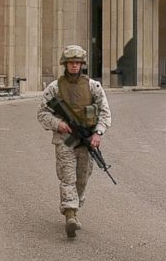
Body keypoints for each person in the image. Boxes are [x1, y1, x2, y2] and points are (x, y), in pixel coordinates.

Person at [38, 44, 111, 238]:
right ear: (65, 64)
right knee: (67, 176)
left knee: (82, 178)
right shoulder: (54, 88)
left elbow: (104, 112)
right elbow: (42, 113)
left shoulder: (93, 86)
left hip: (86, 139)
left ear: (82, 65)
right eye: (71, 63)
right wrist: (57, 123)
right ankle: (70, 214)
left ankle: (75, 209)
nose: (74, 66)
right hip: (66, 139)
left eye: (77, 63)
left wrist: (98, 133)